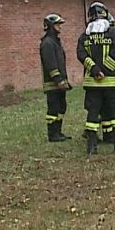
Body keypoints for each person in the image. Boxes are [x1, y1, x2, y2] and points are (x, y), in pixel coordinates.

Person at [77, 1, 115, 155]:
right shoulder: (113, 33)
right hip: (112, 82)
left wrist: (95, 70)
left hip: (93, 83)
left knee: (92, 114)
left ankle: (92, 147)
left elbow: (81, 55)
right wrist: (104, 71)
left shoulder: (84, 36)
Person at [40, 13, 71, 143]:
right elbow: (50, 64)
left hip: (59, 82)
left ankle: (58, 132)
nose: (60, 27)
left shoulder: (55, 42)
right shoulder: (47, 43)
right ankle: (52, 134)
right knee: (53, 109)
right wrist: (58, 80)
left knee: (61, 107)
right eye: (58, 24)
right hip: (53, 83)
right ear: (51, 26)